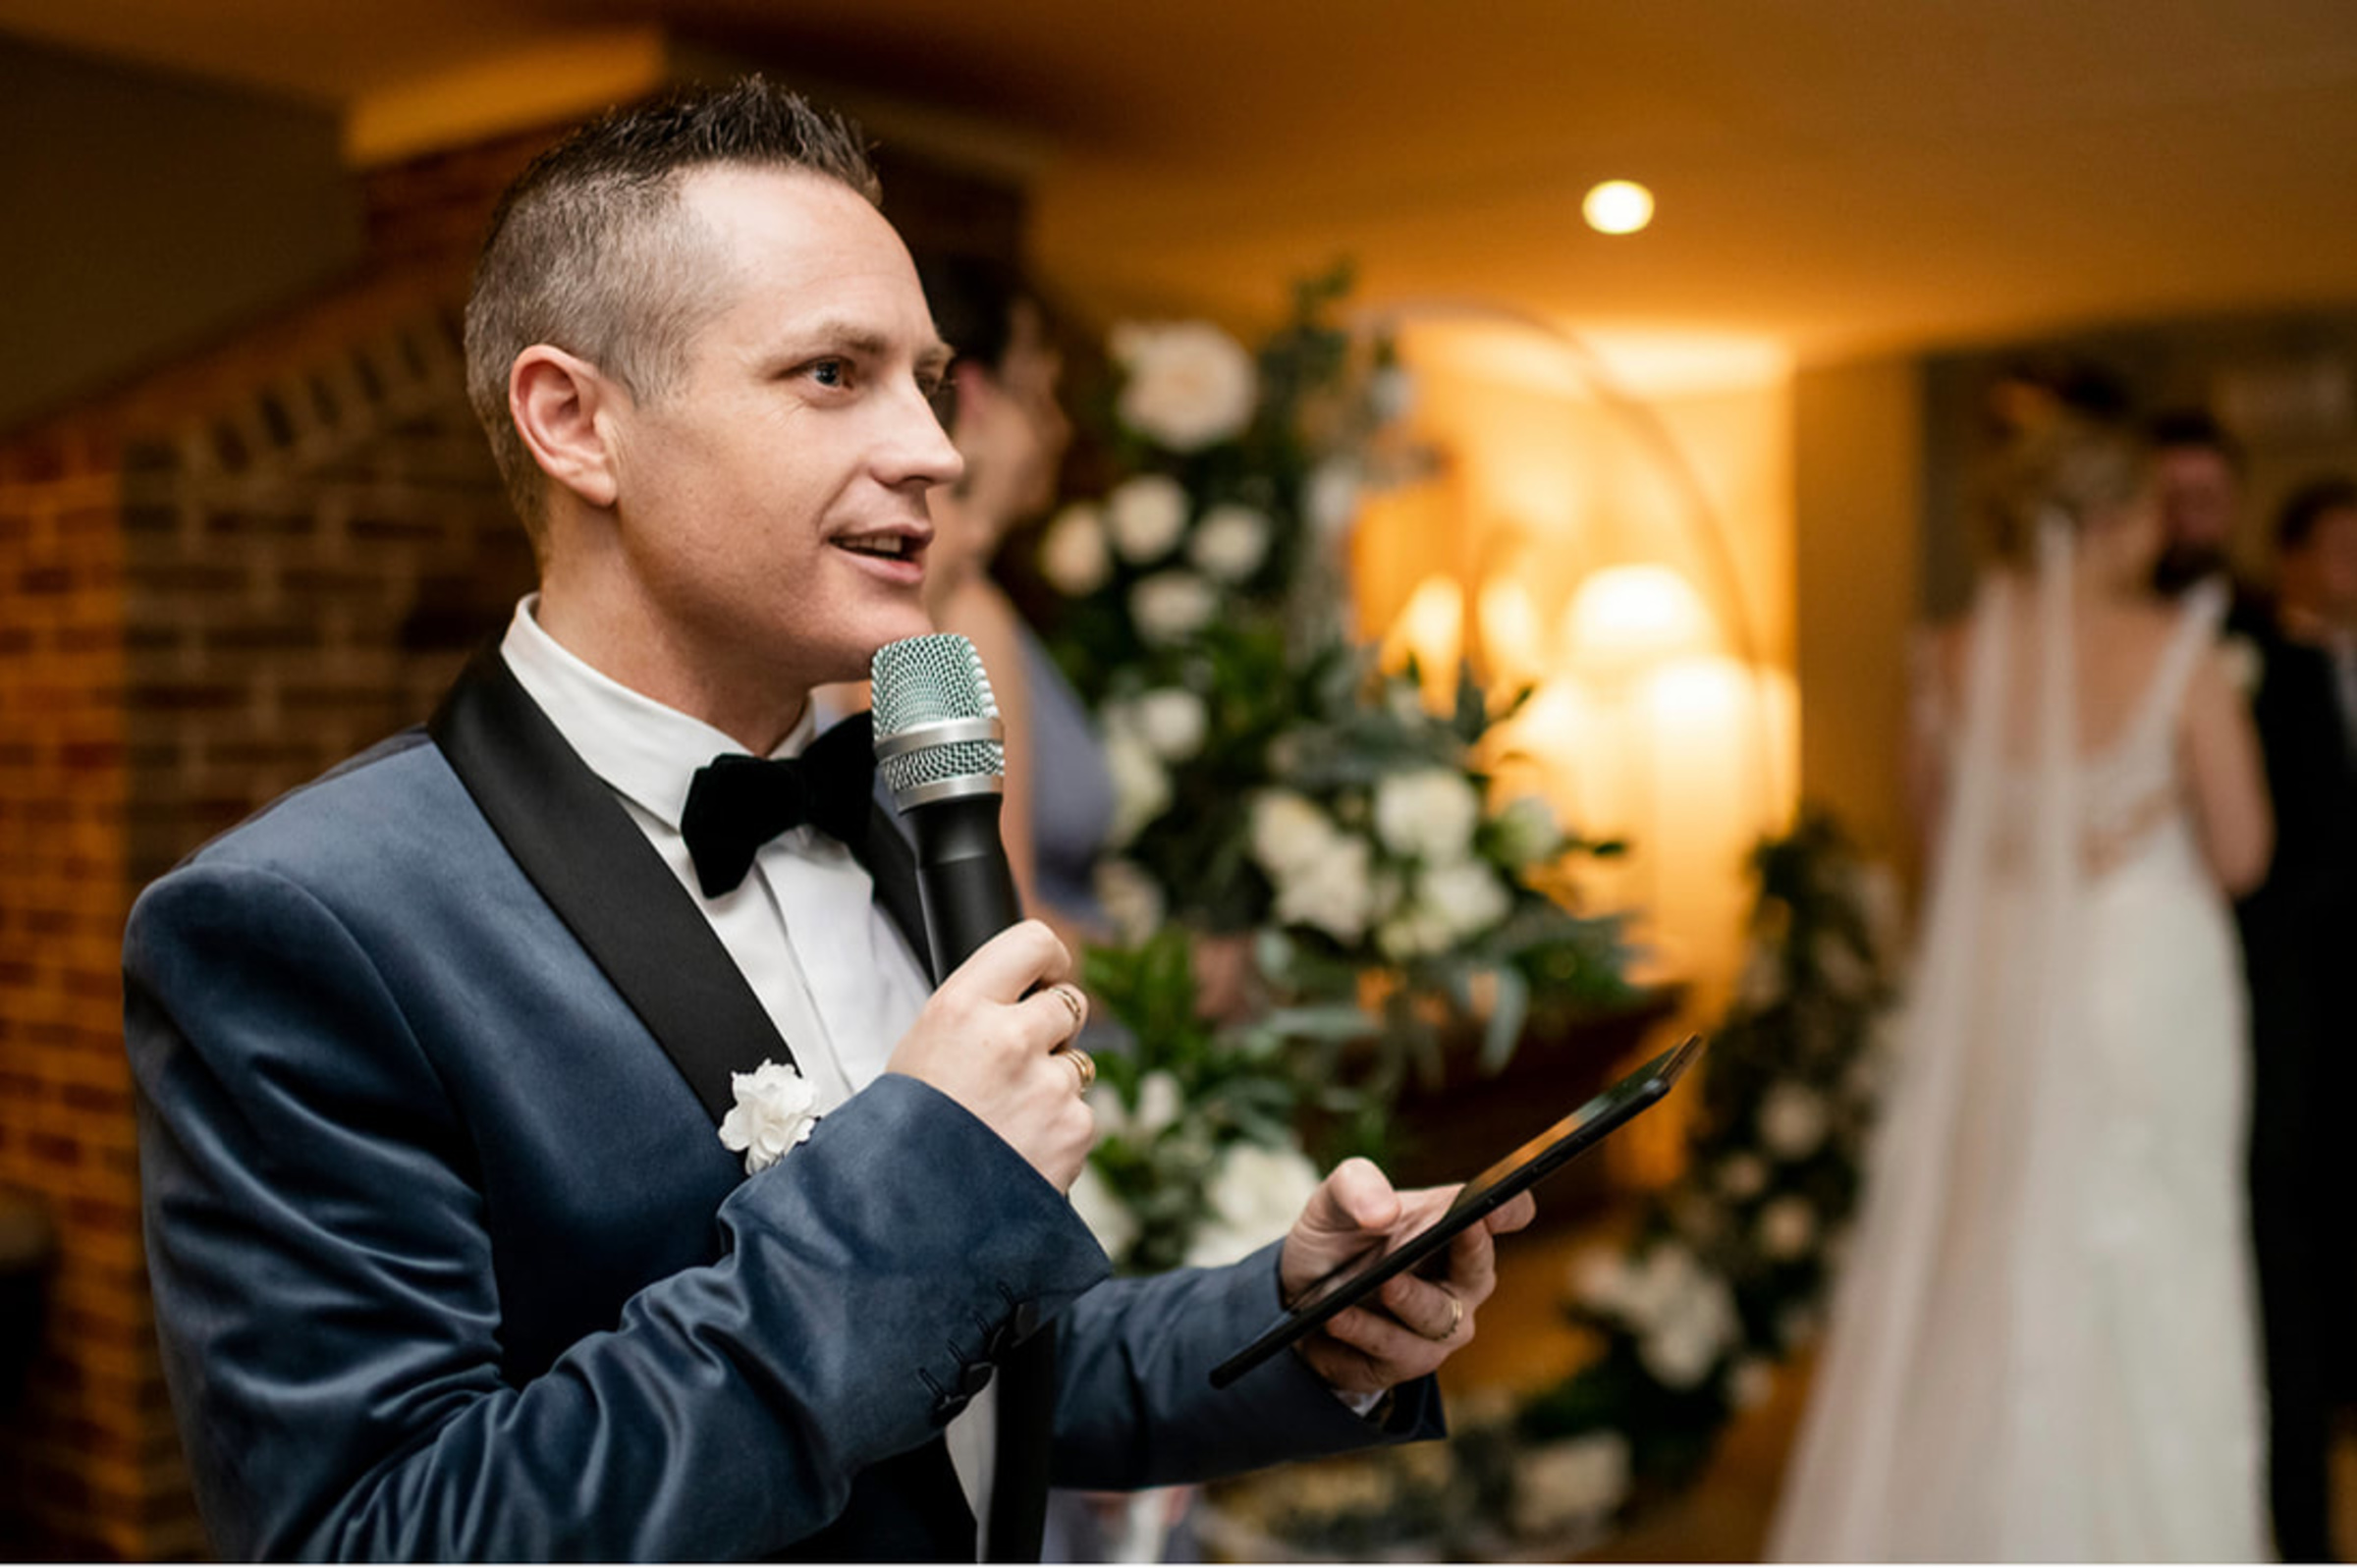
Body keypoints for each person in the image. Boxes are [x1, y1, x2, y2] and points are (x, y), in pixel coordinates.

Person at [120, 79, 1531, 1561]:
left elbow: (984, 1391)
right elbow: (387, 1537)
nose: (933, 447)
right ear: (575, 422)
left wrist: (1296, 1321)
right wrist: (916, 1178)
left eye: (928, 377)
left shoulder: (909, 821)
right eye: (833, 375)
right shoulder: (303, 922)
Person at [1770, 412, 2275, 1560]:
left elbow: (1939, 854)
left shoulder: (1947, 654)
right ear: (2106, 521)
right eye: (2148, 506)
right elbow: (2244, 854)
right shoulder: (2180, 647)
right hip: (2152, 982)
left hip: (2002, 987)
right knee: (2165, 1246)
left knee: (2000, 1242)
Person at [2235, 475, 2357, 1563]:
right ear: (2293, 561)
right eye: (2341, 550)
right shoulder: (2244, 672)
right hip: (2295, 1028)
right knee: (2296, 1276)